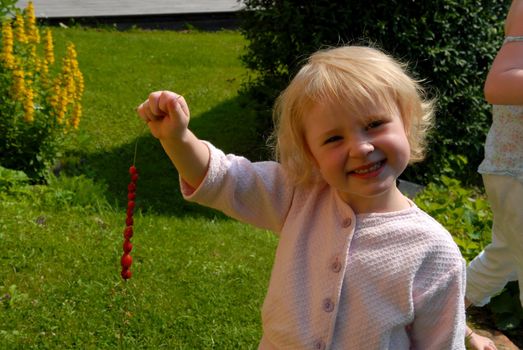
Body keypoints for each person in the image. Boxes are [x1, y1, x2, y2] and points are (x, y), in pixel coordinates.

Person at [137, 45, 467, 349]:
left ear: (406, 123)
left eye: (375, 124)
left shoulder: (434, 252)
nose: (361, 148)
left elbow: (440, 343)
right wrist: (177, 139)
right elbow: (224, 179)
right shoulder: (300, 194)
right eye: (334, 139)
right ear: (310, 154)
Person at [465, 1, 523, 349]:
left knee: (504, 255)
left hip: (512, 169)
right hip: (517, 168)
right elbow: (499, 85)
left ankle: (435, 309)